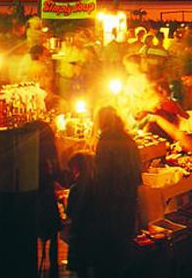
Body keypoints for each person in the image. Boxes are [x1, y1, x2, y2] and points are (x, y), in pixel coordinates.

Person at [93, 107, 142, 277]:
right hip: (128, 194)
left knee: (112, 237)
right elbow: (137, 168)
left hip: (111, 197)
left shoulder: (105, 140)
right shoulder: (128, 139)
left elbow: (101, 173)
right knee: (125, 235)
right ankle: (125, 268)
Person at [63, 151, 98, 276]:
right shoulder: (98, 187)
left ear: (77, 167)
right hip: (95, 236)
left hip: (80, 235)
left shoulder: (76, 189)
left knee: (82, 270)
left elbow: (70, 212)